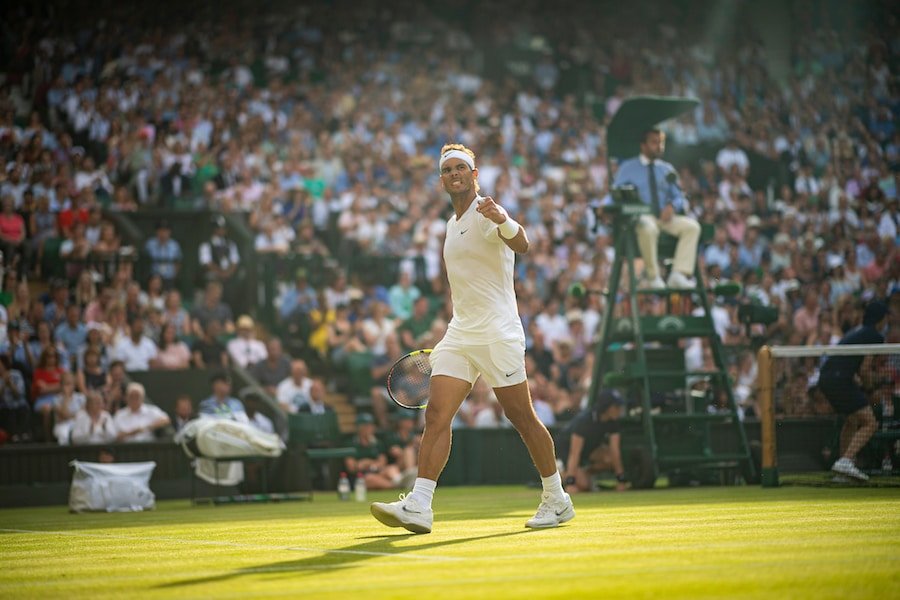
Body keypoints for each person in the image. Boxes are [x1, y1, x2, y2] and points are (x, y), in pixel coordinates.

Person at [371, 144, 574, 534]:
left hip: (498, 332)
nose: (454, 174)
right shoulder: (450, 225)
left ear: (474, 174)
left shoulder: (486, 212)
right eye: (447, 170)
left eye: (461, 167)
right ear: (442, 179)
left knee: (522, 418)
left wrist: (504, 220)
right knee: (436, 415)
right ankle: (420, 504)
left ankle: (557, 497)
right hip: (460, 332)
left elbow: (522, 243)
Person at [612, 129, 701, 289]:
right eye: (654, 142)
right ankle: (653, 277)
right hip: (641, 218)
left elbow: (679, 196)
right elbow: (615, 193)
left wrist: (672, 206)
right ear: (643, 145)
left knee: (692, 227)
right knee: (648, 226)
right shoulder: (628, 167)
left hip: (664, 218)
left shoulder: (667, 169)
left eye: (661, 142)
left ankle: (678, 274)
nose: (659, 146)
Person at [818, 301, 888, 481]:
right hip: (840, 379)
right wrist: (872, 386)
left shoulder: (855, 331)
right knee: (870, 423)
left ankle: (842, 470)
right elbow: (864, 370)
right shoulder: (875, 336)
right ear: (881, 319)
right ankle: (847, 460)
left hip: (826, 378)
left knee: (852, 419)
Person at [556, 389, 627, 494]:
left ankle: (584, 473)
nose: (619, 410)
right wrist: (571, 483)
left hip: (588, 450)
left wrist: (621, 480)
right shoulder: (585, 421)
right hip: (566, 451)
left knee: (609, 459)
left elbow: (614, 451)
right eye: (616, 407)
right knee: (583, 485)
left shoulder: (613, 421)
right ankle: (562, 475)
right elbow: (574, 453)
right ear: (606, 408)